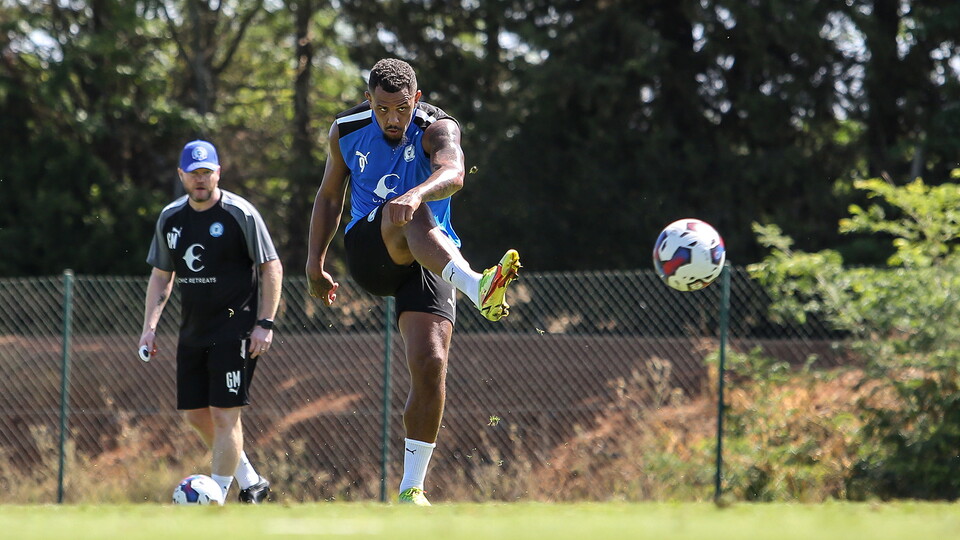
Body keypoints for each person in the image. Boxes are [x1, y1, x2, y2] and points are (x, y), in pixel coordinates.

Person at [305, 58, 521, 506]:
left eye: (402, 108)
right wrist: (314, 260)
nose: (393, 119)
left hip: (431, 257)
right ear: (369, 101)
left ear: (416, 99)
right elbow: (329, 197)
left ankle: (411, 490)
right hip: (371, 249)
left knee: (430, 362)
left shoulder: (437, 127)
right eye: (383, 109)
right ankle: (479, 285)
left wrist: (417, 191)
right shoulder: (345, 130)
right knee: (403, 213)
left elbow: (454, 172)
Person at [138, 139, 283, 504]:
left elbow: (271, 266)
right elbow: (161, 275)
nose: (200, 179)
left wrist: (265, 322)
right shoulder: (171, 218)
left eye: (207, 172)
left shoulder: (241, 214)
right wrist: (149, 327)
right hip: (193, 331)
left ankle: (215, 498)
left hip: (236, 328)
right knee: (194, 413)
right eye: (193, 173)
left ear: (218, 173)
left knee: (224, 413)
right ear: (181, 176)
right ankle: (250, 481)